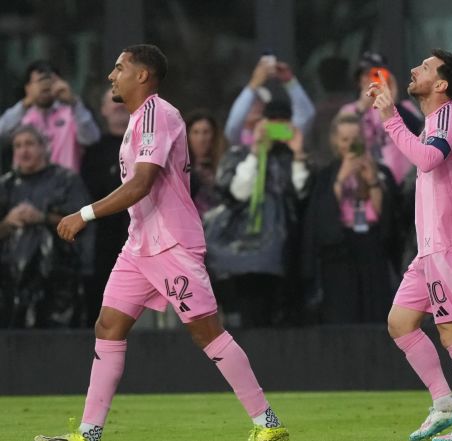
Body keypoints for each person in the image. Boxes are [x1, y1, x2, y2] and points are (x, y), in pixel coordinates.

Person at [37, 44, 289, 441]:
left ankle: (268, 424)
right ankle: (88, 434)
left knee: (207, 333)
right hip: (139, 245)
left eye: (119, 67)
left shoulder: (158, 113)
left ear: (142, 75)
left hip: (171, 244)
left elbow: (141, 184)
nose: (111, 76)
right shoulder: (138, 119)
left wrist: (83, 214)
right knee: (108, 326)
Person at [368, 49, 452, 441]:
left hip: (450, 246)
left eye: (423, 67)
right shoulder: (436, 120)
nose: (412, 69)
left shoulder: (450, 116)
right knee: (400, 323)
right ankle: (444, 404)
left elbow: (427, 159)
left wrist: (391, 118)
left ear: (441, 83)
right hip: (431, 248)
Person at [206, 100, 310, 328]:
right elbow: (238, 192)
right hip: (248, 251)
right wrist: (256, 151)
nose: (277, 130)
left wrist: (298, 153)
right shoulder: (240, 154)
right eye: (272, 124)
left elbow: (300, 194)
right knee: (252, 315)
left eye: (283, 124)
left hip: (285, 251)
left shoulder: (291, 156)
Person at [302, 113, 400, 324]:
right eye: (345, 139)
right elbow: (322, 215)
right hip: (340, 251)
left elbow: (387, 217)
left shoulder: (381, 171)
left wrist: (372, 181)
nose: (350, 145)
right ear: (335, 142)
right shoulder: (326, 175)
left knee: (376, 313)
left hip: (372, 246)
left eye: (355, 139)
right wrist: (341, 178)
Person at [0, 125, 92, 328]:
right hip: (10, 284)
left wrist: (42, 217)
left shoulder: (66, 180)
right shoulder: (6, 186)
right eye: (18, 146)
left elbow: (83, 222)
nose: (23, 150)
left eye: (29, 144)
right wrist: (8, 222)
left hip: (58, 283)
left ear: (44, 147)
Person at [80, 88, 131, 327]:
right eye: (113, 101)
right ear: (103, 110)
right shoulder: (93, 152)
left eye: (122, 99)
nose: (118, 105)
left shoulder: (148, 144)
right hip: (104, 239)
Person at [0, 61, 101, 173]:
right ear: (28, 88)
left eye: (50, 80)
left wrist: (74, 102)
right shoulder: (20, 117)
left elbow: (91, 138)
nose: (45, 85)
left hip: (64, 182)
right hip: (27, 182)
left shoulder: (72, 113)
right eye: (40, 81)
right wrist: (25, 104)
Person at [340, 51, 424, 184]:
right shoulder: (349, 111)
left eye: (374, 75)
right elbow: (345, 143)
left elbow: (422, 137)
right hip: (365, 182)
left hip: (403, 184)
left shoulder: (404, 107)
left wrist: (394, 104)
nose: (368, 79)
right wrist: (362, 108)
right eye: (364, 74)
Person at [224, 55, 315, 147]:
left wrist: (289, 81)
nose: (257, 105)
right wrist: (254, 84)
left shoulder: (274, 132)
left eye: (260, 101)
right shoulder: (239, 139)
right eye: (251, 102)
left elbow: (306, 116)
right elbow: (233, 125)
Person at [186, 110, 227, 217]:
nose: (201, 139)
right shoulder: (181, 169)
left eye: (206, 132)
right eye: (195, 132)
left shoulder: (225, 165)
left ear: (214, 135)